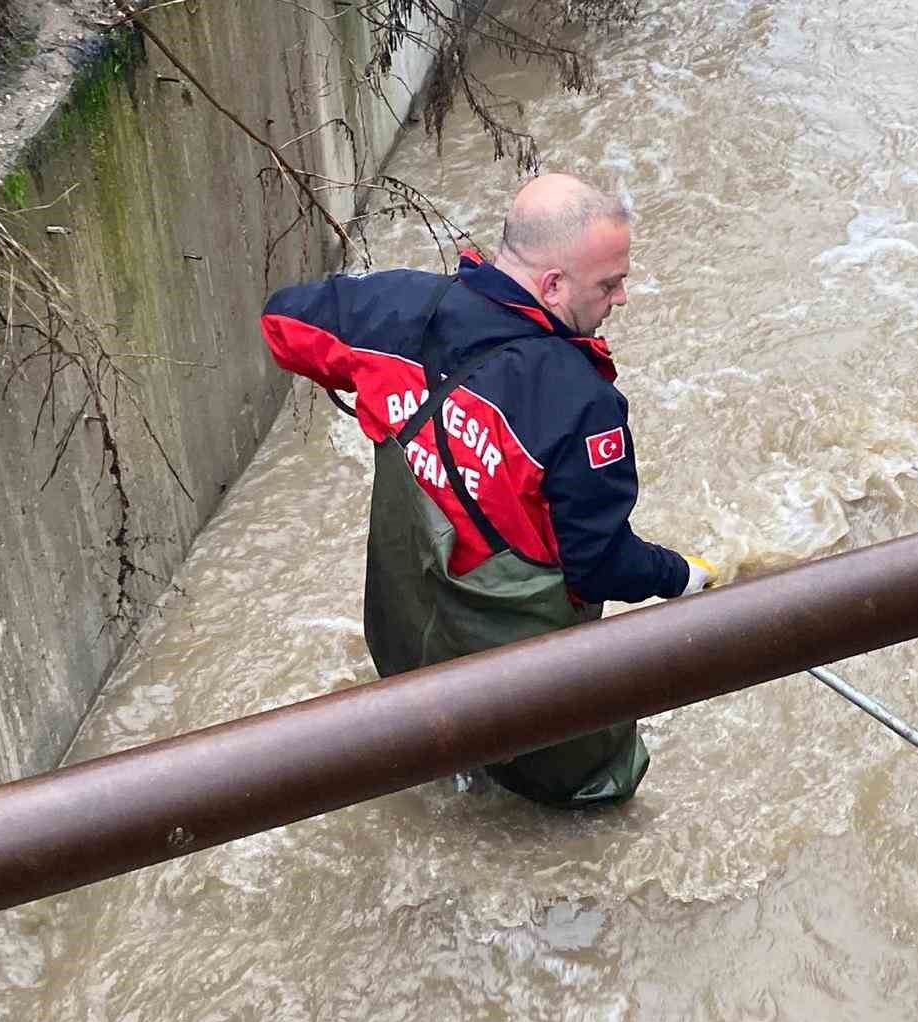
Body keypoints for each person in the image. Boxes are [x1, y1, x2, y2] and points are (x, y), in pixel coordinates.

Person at [260, 173, 712, 808]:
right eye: (609, 283)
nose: (623, 298)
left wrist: (378, 390)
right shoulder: (582, 404)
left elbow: (281, 318)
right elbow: (599, 565)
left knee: (422, 740)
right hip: (516, 661)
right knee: (598, 794)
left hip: (409, 622)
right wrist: (682, 576)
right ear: (553, 284)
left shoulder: (397, 309)